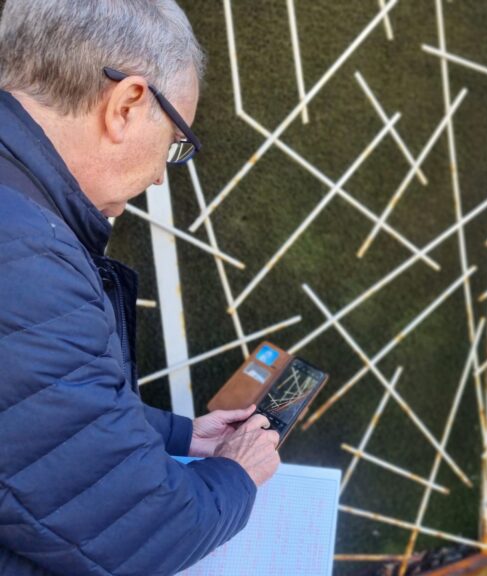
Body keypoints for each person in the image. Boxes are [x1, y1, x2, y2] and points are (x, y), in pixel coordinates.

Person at [0, 1, 280, 574]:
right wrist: (237, 473)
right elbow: (143, 530)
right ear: (126, 103)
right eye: (175, 143)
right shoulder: (25, 257)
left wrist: (181, 435)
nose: (158, 176)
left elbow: (29, 413)